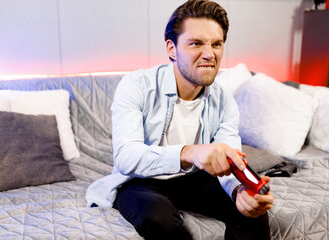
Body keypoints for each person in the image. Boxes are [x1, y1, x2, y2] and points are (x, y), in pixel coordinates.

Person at [86, 0, 274, 239]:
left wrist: (240, 191)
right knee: (157, 218)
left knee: (251, 213)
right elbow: (126, 156)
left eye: (216, 44)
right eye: (195, 43)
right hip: (141, 180)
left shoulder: (224, 98)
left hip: (194, 180)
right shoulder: (136, 85)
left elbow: (229, 162)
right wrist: (190, 152)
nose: (209, 54)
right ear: (172, 48)